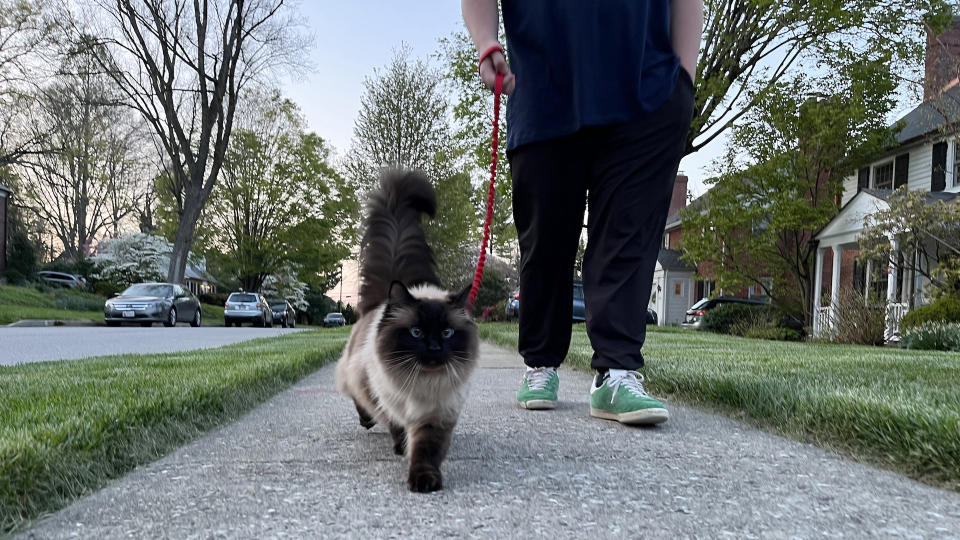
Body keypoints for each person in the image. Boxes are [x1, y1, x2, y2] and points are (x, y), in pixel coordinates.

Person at [461, 0, 702, 425]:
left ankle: (617, 370)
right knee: (546, 239)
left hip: (648, 87)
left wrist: (684, 79)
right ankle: (541, 363)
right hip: (541, 83)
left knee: (627, 235)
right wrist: (485, 42)